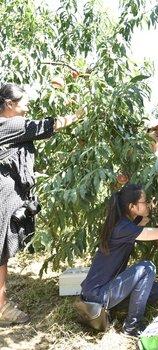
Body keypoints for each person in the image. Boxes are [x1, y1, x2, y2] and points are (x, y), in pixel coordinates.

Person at [0, 83, 84, 326]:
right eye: (23, 102)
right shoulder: (11, 124)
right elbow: (47, 125)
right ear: (9, 105)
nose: (28, 106)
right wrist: (79, 114)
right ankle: (2, 308)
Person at [80, 183, 158, 336]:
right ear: (132, 206)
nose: (149, 204)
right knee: (147, 268)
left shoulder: (127, 222)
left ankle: (111, 309)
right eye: (145, 201)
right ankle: (131, 327)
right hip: (96, 294)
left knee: (155, 290)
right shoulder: (123, 228)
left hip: (102, 290)